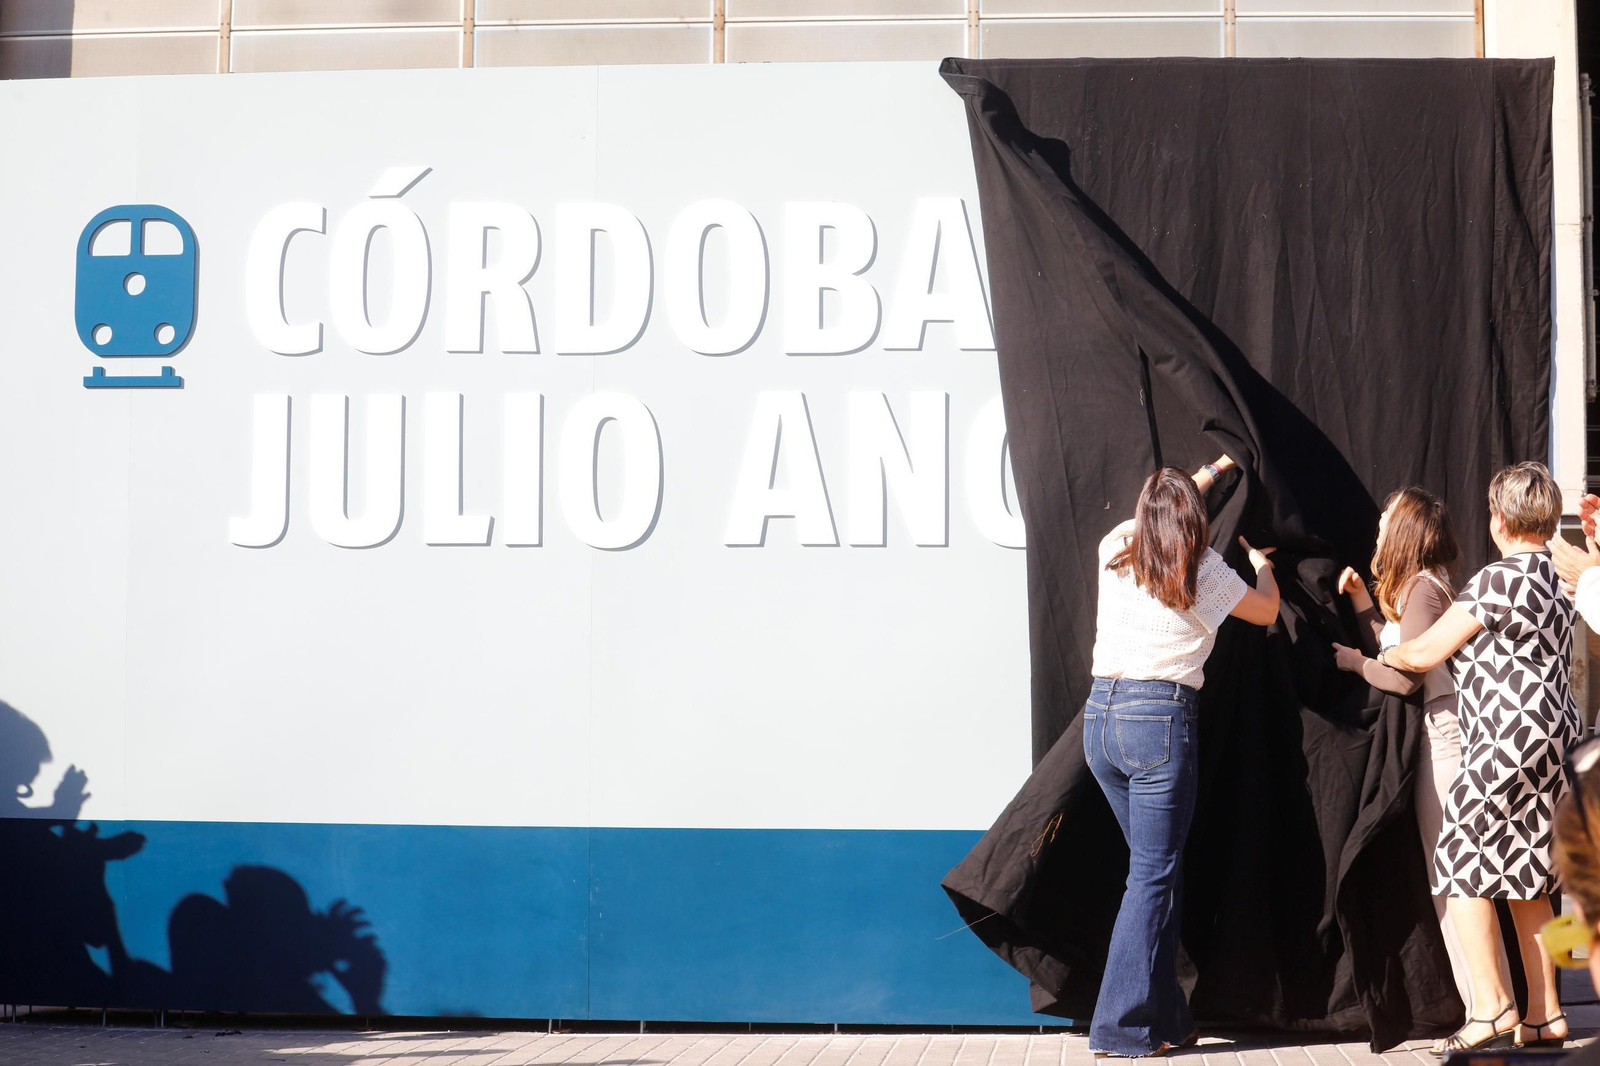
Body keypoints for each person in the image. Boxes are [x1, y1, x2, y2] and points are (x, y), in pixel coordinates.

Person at [1380, 462, 1580, 1054]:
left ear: (1498, 520)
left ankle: (1492, 1008)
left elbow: (1425, 652)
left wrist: (1386, 655)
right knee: (1530, 879)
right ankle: (1547, 1017)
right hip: (1554, 741)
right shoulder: (1563, 579)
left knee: (1459, 860)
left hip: (1505, 741)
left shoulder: (1498, 579)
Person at [1085, 455, 1279, 1058]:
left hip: (1100, 720)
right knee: (1152, 874)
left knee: (1156, 869)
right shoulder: (1205, 571)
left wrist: (1208, 471)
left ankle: (1169, 1019)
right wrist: (1264, 567)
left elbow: (1162, 510)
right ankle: (1119, 1028)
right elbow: (1267, 612)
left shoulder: (1116, 549)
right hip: (1157, 721)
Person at [1329, 487, 1473, 1008]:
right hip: (1441, 734)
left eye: (1389, 517)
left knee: (1452, 877)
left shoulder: (1422, 589)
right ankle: (1493, 1004)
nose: (1381, 523)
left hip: (1446, 739)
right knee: (1455, 874)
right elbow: (1402, 652)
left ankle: (1485, 1008)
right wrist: (1364, 604)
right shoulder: (1425, 588)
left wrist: (1352, 663)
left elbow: (1404, 678)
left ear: (1406, 528)